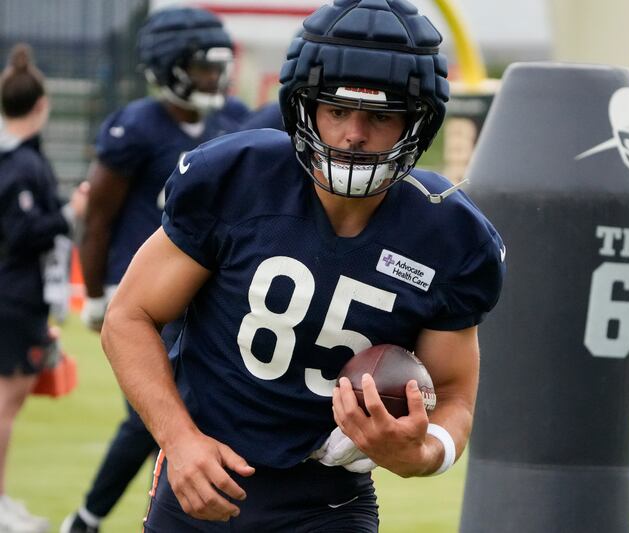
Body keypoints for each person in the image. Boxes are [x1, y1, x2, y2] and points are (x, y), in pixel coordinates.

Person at [103, 0, 505, 530]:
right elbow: (127, 317)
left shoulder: (446, 235)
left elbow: (455, 396)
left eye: (380, 117)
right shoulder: (236, 179)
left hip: (330, 501)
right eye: (336, 110)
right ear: (303, 107)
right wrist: (179, 440)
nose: (353, 135)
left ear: (416, 122)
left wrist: (426, 451)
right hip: (206, 472)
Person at [60, 7, 244, 533]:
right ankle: (87, 520)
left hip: (203, 294)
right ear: (169, 67)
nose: (214, 78)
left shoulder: (232, 120)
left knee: (192, 413)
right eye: (201, 67)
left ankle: (159, 515)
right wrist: (96, 294)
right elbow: (98, 217)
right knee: (155, 417)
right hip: (139, 289)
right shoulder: (135, 127)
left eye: (217, 67)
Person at [0, 44, 84, 533]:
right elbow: (24, 230)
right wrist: (71, 213)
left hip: (17, 295)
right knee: (6, 404)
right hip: (15, 295)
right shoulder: (21, 165)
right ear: (41, 105)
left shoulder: (20, 158)